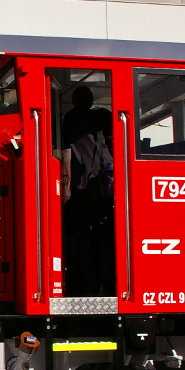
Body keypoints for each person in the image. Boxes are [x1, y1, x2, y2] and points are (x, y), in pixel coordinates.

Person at [61, 86, 115, 296]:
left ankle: (87, 284)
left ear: (74, 101)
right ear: (91, 101)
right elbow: (114, 140)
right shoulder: (102, 116)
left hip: (78, 188)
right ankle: (107, 283)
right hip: (100, 186)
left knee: (81, 239)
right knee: (104, 237)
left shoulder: (69, 119)